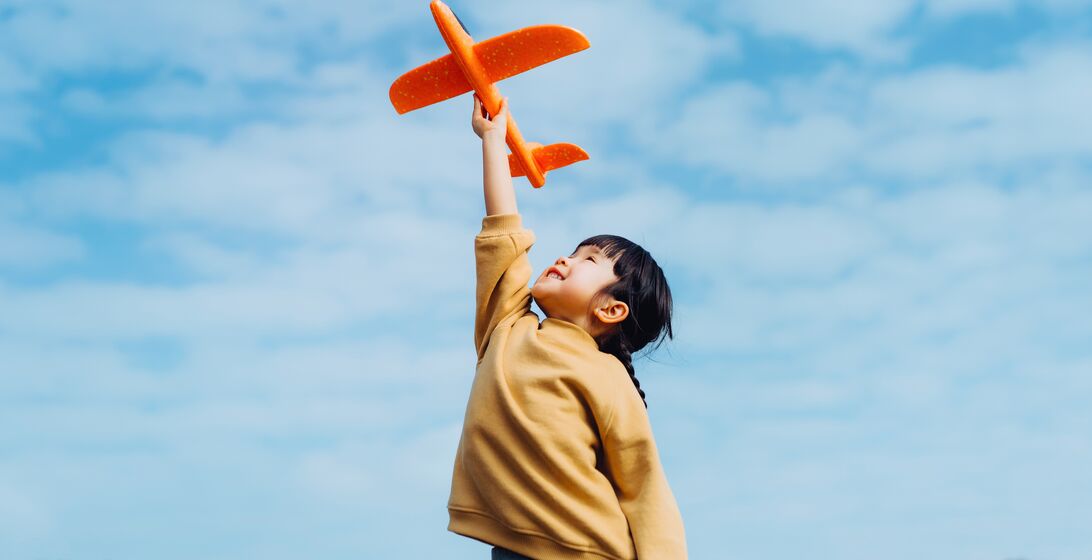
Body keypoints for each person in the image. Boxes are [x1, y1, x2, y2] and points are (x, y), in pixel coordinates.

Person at [447, 95, 687, 560]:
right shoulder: (508, 327)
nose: (564, 258)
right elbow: (502, 234)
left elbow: (644, 488)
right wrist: (493, 139)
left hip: (591, 551)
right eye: (573, 251)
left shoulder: (607, 377)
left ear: (612, 310)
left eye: (589, 261)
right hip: (515, 545)